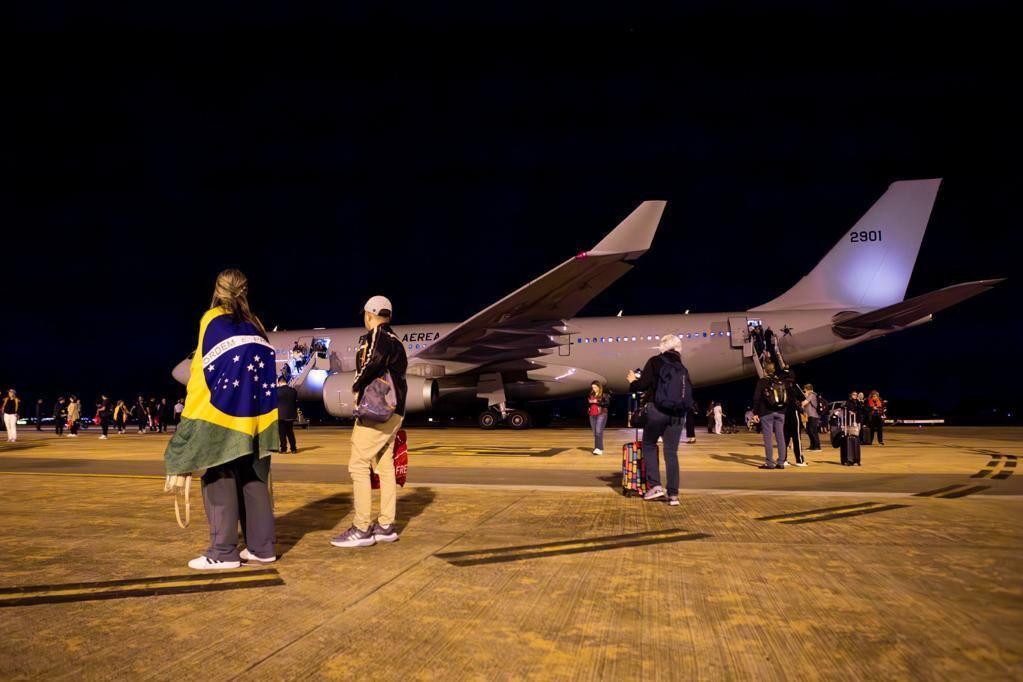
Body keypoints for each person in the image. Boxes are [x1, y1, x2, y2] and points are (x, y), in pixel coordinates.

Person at [164, 269, 278, 570]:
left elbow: (202, 375)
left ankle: (223, 551)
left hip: (223, 416)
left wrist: (189, 426)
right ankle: (262, 548)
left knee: (219, 476)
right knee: (254, 479)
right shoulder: (257, 324)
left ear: (217, 290)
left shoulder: (211, 319)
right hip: (260, 418)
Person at [331, 295, 408, 548]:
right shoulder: (396, 341)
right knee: (383, 464)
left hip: (376, 412)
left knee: (358, 464)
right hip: (394, 412)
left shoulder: (379, 336)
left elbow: (372, 362)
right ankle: (385, 525)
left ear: (369, 314)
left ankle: (361, 527)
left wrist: (356, 383)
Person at [626, 334, 693, 506]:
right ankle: (673, 495)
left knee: (649, 444)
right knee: (671, 453)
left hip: (658, 411)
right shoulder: (681, 367)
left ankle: (655, 486)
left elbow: (642, 386)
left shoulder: (655, 361)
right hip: (678, 415)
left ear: (662, 347)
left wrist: (633, 381)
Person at [752, 362, 787, 469]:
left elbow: (757, 398)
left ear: (765, 370)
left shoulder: (762, 381)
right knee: (780, 437)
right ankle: (781, 462)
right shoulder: (780, 381)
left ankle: (770, 463)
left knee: (768, 438)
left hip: (766, 412)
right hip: (781, 412)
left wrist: (755, 413)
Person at [781, 371, 807, 466]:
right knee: (796, 437)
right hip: (793, 412)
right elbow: (802, 397)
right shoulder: (794, 384)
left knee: (785, 437)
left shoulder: (780, 384)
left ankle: (783, 459)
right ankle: (799, 460)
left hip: (783, 413)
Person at [276, 376, 299, 453]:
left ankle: (283, 449)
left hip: (280, 415)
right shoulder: (293, 391)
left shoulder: (276, 391)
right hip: (291, 415)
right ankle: (293, 448)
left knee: (282, 433)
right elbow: (295, 402)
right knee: (290, 432)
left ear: (279, 382)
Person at [587, 381, 610, 455]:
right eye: (593, 387)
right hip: (592, 414)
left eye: (595, 387)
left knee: (598, 431)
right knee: (595, 433)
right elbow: (589, 403)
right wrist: (589, 406)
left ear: (599, 387)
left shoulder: (604, 394)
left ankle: (598, 448)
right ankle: (598, 448)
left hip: (601, 414)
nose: (594, 389)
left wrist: (597, 402)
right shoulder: (591, 394)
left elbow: (607, 404)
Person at [801, 384, 822, 451]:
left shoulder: (812, 395)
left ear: (807, 389)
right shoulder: (810, 395)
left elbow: (804, 403)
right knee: (809, 431)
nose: (804, 391)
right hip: (809, 416)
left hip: (813, 415)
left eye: (805, 390)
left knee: (813, 431)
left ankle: (817, 447)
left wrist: (805, 396)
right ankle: (812, 446)